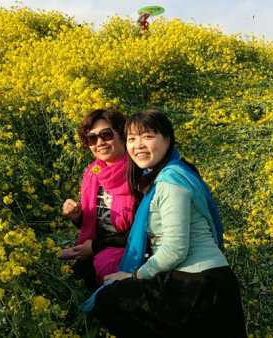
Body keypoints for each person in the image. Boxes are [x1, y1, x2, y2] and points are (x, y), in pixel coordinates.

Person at [90, 110, 247, 337]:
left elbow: (175, 249)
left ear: (167, 138)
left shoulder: (171, 182)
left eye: (148, 136)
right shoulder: (166, 177)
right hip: (201, 281)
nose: (138, 146)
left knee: (109, 301)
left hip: (200, 286)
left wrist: (135, 276)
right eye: (132, 139)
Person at [60, 107, 136, 289]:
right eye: (92, 138)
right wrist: (77, 216)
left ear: (123, 134)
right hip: (97, 245)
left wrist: (94, 247)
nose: (99, 142)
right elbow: (95, 222)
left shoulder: (137, 173)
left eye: (106, 135)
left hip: (130, 247)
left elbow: (142, 232)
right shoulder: (93, 172)